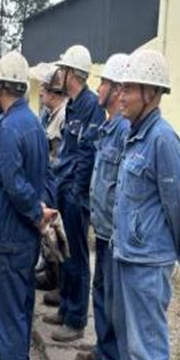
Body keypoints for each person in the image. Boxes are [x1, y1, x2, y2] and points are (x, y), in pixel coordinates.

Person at [98, 50, 180, 360]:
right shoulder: (134, 134)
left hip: (148, 262)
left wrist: (174, 250)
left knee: (148, 346)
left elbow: (179, 206)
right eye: (120, 88)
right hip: (126, 253)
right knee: (128, 336)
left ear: (151, 94)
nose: (121, 96)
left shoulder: (163, 140)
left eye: (128, 89)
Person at [0, 51, 57, 360]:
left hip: (9, 236)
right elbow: (44, 176)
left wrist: (36, 212)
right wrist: (40, 211)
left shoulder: (8, 127)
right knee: (22, 311)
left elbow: (13, 184)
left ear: (0, 88)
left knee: (8, 319)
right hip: (25, 239)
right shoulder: (33, 124)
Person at [43, 45, 105, 342]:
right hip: (64, 189)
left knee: (78, 257)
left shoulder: (91, 106)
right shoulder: (73, 105)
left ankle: (76, 319)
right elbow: (68, 151)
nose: (59, 75)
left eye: (63, 70)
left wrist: (76, 192)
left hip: (76, 196)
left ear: (72, 73)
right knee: (65, 253)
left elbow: (87, 154)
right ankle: (66, 308)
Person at [75, 54, 129, 360]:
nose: (99, 87)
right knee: (101, 293)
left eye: (104, 82)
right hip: (104, 229)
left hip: (115, 233)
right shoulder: (109, 128)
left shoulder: (123, 130)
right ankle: (102, 349)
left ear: (118, 89)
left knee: (112, 300)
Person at [30, 63, 68, 303]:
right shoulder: (49, 116)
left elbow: (61, 156)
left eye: (44, 89)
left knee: (59, 235)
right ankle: (52, 276)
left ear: (54, 93)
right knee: (49, 236)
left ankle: (61, 285)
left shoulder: (63, 117)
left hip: (59, 183)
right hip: (50, 183)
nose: (41, 93)